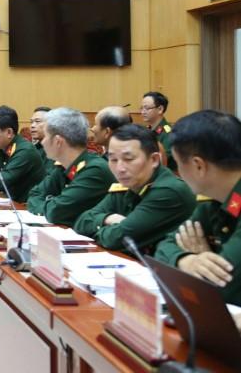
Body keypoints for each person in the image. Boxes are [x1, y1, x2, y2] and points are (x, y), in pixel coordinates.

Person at [154, 110, 241, 306]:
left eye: (177, 164)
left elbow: (219, 286)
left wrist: (201, 259)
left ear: (198, 166)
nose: (176, 172)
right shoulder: (214, 200)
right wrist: (187, 260)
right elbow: (162, 250)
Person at [74, 124, 195, 254]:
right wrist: (107, 218)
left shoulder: (169, 191)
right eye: (113, 159)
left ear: (154, 159)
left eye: (128, 159)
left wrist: (98, 231)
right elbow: (81, 223)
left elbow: (117, 239)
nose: (120, 168)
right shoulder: (127, 185)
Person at [26, 108, 115, 227]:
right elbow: (34, 195)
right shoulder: (64, 165)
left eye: (46, 136)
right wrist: (50, 204)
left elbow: (56, 212)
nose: (42, 142)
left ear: (58, 141)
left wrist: (48, 203)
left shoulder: (94, 170)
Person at [141, 91, 176, 171]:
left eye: (146, 108)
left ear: (160, 109)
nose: (142, 112)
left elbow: (167, 157)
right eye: (142, 108)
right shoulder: (147, 129)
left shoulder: (168, 132)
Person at [30, 106, 54, 173]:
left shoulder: (56, 148)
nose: (32, 125)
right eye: (31, 122)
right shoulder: (34, 148)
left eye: (37, 121)